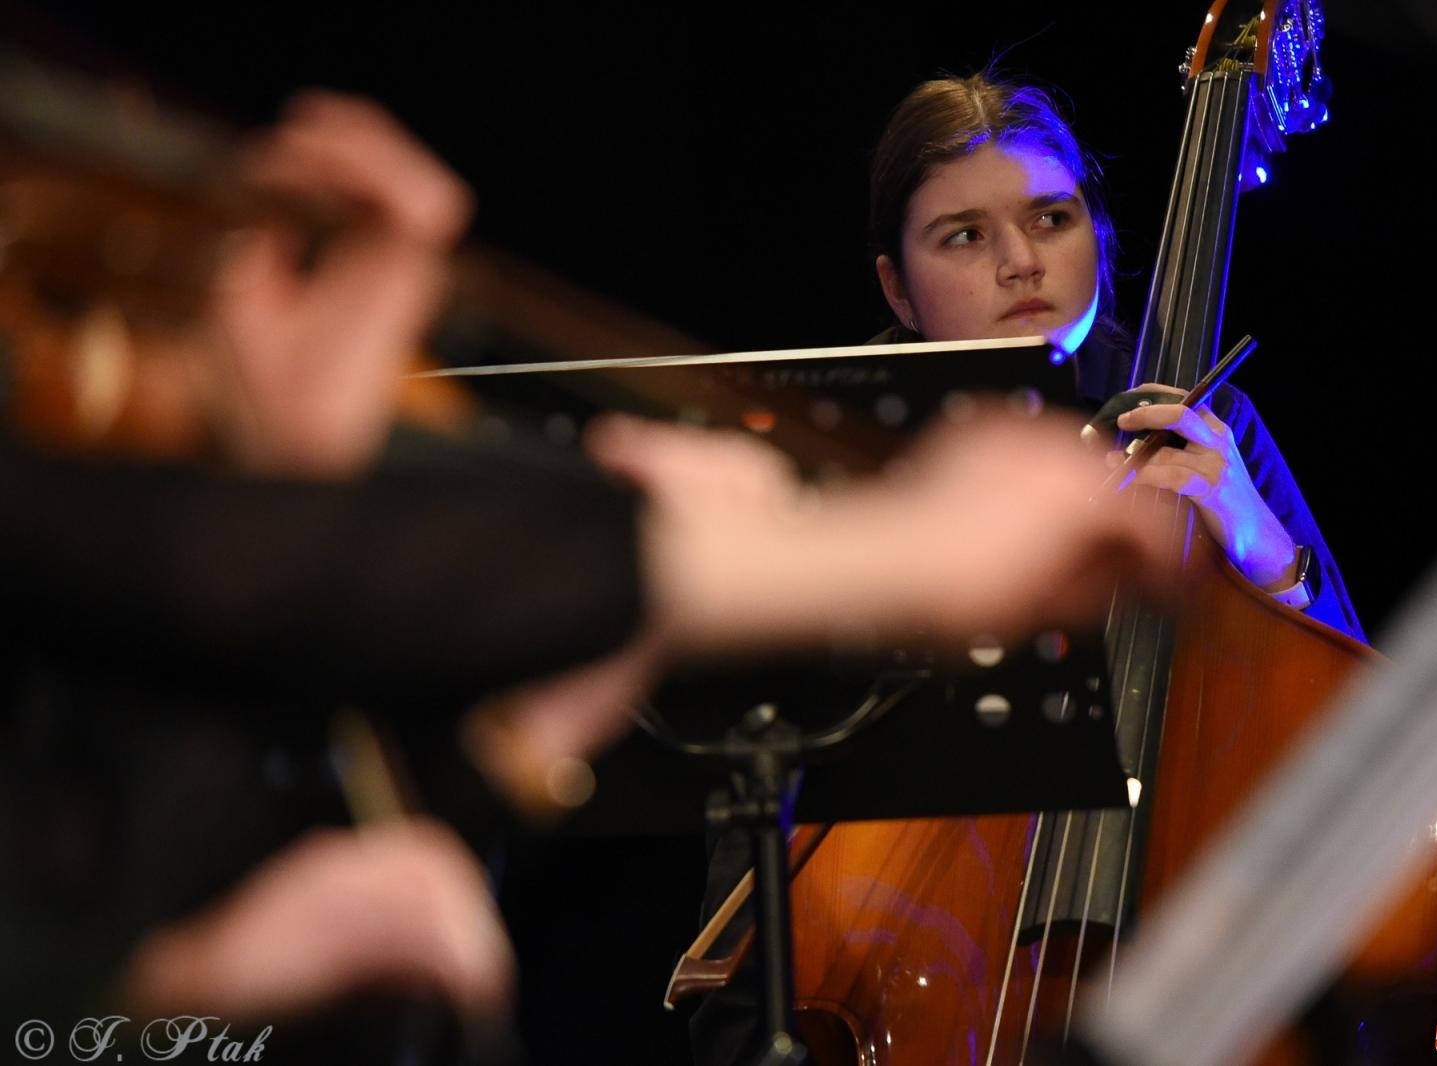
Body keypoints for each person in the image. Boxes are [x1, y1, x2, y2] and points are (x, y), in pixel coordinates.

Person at [0, 82, 1175, 1054]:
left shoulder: (177, 631)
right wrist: (883, 549)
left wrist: (591, 668)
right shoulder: (131, 541)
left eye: (1054, 219)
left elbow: (322, 798)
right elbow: (237, 574)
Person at [688, 69, 1365, 1066]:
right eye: (963, 235)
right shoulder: (838, 448)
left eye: (1051, 218)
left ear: (1097, 231)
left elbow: (1358, 709)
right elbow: (756, 802)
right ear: (895, 287)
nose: (1019, 262)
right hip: (910, 968)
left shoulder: (1202, 418)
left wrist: (1259, 544)